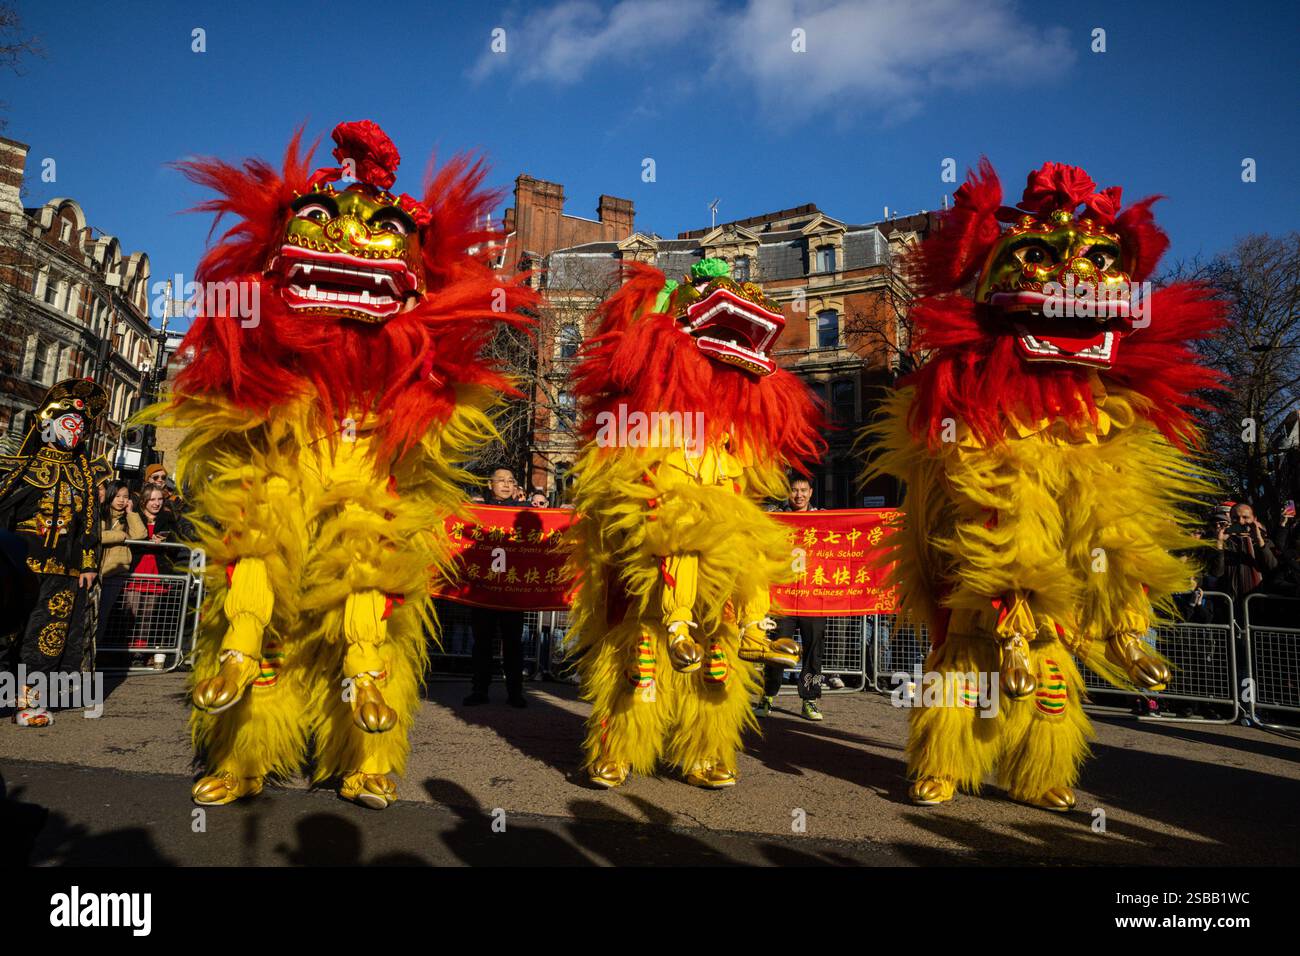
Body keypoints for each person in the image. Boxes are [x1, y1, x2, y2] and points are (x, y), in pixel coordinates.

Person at [0, 379, 108, 726]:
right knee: (7, 631)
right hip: (22, 567)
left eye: (80, 427)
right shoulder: (25, 469)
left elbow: (89, 525)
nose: (75, 432)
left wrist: (89, 564)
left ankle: (29, 703)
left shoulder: (84, 475)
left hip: (63, 572)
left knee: (47, 637)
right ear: (49, 425)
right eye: (68, 424)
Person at [754, 476, 837, 722]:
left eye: (803, 490)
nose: (798, 495)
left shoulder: (824, 518)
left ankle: (809, 699)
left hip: (813, 598)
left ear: (811, 492)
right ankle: (767, 695)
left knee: (814, 652)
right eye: (794, 490)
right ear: (787, 493)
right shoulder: (777, 517)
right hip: (784, 598)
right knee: (777, 649)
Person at [463, 468, 529, 708]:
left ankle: (515, 692)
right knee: (482, 643)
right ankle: (479, 689)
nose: (506, 484)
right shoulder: (479, 512)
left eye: (511, 481)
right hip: (484, 589)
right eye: (501, 480)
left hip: (513, 591)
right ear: (490, 485)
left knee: (513, 643)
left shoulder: (525, 512)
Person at [96, 481, 148, 662]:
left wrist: (131, 513)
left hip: (114, 575)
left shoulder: (128, 518)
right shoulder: (99, 514)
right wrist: (119, 536)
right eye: (118, 496)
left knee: (102, 616)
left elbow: (141, 535)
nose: (121, 500)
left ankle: (94, 655)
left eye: (125, 497)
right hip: (94, 572)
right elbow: (97, 535)